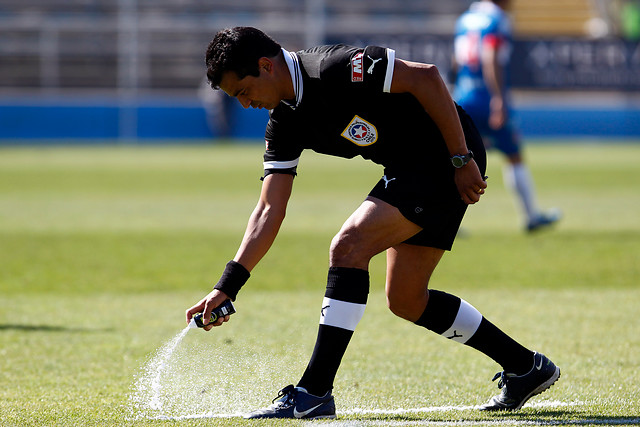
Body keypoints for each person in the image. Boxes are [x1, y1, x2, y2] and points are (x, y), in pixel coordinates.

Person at [185, 26, 560, 419]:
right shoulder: (284, 123)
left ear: (265, 65)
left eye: (243, 91)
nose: (245, 104)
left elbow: (427, 77)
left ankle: (313, 393)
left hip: (446, 156)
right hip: (411, 168)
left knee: (348, 246)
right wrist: (227, 286)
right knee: (406, 299)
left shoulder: (335, 67)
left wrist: (461, 159)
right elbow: (268, 209)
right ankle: (526, 367)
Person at [452, 0, 561, 232]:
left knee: (455, 158)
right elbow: (490, 56)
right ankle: (532, 217)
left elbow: (456, 61)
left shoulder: (465, 19)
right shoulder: (497, 20)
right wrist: (498, 98)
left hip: (463, 97)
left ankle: (444, 220)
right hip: (486, 97)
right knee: (513, 155)